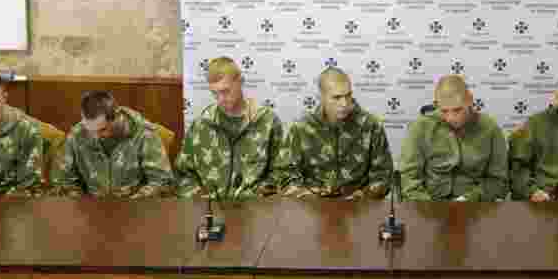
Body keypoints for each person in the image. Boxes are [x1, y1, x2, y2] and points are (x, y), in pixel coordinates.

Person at [175, 56, 286, 200]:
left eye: (225, 91)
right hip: (211, 211)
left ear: (240, 82)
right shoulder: (202, 125)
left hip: (254, 211)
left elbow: (280, 171)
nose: (220, 99)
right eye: (215, 93)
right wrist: (196, 197)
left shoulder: (267, 122)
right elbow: (183, 173)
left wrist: (261, 194)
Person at [278, 67, 393, 199]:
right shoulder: (301, 128)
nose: (344, 103)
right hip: (313, 209)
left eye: (348, 95)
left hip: (359, 208)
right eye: (336, 97)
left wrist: (363, 195)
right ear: (322, 97)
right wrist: (307, 196)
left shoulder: (371, 126)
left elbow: (383, 175)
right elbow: (285, 175)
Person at [399, 74, 508, 201]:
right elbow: (408, 178)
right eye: (444, 111)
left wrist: (470, 199)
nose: (451, 118)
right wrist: (429, 207)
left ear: (470, 100)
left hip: (474, 205)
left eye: (457, 110)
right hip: (429, 205)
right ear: (436, 104)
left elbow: (499, 180)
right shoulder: (420, 128)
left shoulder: (490, 129)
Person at [51, 89, 174, 198]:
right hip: (91, 210)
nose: (96, 136)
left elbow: (161, 181)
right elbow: (64, 181)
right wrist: (83, 204)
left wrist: (134, 203)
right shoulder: (77, 134)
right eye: (90, 130)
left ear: (116, 117)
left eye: (102, 130)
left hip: (135, 209)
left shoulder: (143, 134)